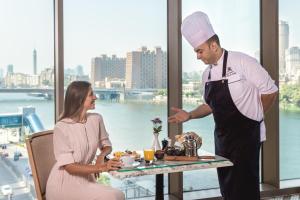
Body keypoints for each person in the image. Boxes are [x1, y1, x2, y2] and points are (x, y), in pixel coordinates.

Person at [168, 11, 278, 200]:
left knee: (245, 191)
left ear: (214, 45)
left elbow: (270, 91)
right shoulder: (207, 75)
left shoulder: (243, 62)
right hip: (223, 140)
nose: (197, 56)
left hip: (246, 139)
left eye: (199, 51)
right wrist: (190, 115)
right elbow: (210, 105)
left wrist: (255, 117)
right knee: (227, 190)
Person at [46, 81, 125, 200]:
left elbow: (106, 145)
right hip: (64, 184)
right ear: (80, 99)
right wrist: (102, 167)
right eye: (91, 94)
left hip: (86, 179)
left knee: (117, 195)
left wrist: (101, 156)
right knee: (114, 196)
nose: (96, 97)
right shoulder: (61, 127)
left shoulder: (96, 119)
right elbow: (69, 167)